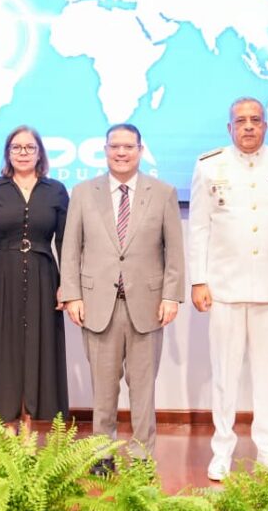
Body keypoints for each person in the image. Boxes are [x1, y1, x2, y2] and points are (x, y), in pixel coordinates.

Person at [188, 96, 268, 481]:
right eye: (240, 121)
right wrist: (198, 280)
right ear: (229, 127)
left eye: (255, 120)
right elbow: (199, 228)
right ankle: (221, 451)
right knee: (224, 375)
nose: (248, 127)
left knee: (266, 375)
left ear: (265, 125)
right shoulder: (210, 166)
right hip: (224, 287)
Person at [60, 124, 184, 474]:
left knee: (143, 389)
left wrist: (171, 296)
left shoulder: (163, 192)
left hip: (147, 306)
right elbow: (71, 249)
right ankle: (103, 453)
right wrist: (72, 295)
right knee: (103, 388)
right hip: (97, 305)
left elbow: (174, 251)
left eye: (128, 146)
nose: (121, 152)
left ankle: (143, 457)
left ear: (140, 150)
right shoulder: (83, 192)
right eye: (115, 146)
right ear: (105, 150)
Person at [0, 126, 69, 426]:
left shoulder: (56, 190)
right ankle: (4, 419)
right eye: (16, 147)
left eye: (29, 147)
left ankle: (34, 418)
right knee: (3, 345)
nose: (23, 153)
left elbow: (66, 241)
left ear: (40, 153)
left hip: (44, 275)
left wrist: (68, 285)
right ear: (8, 153)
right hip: (0, 274)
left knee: (41, 342)